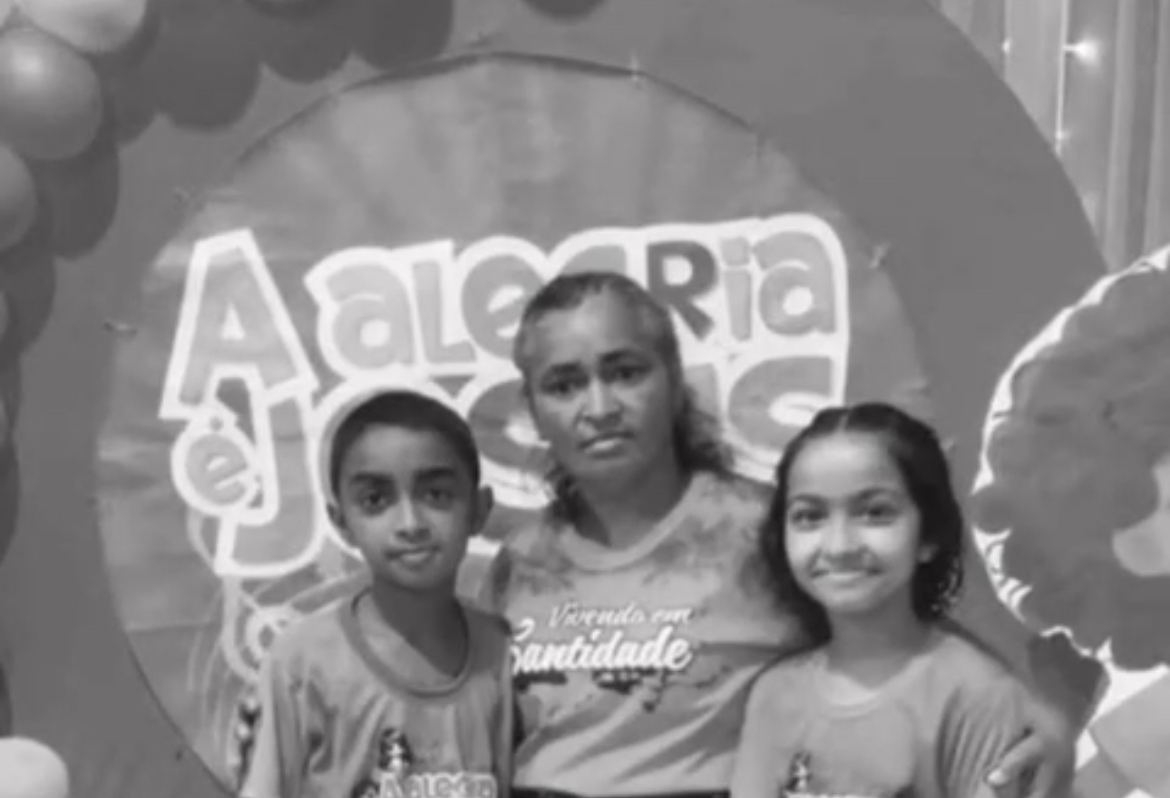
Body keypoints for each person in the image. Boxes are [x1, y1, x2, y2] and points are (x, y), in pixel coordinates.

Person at [481, 271, 1072, 798]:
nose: (600, 406)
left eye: (626, 372)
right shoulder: (518, 563)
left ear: (675, 380)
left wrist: (1039, 718)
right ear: (532, 409)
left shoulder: (765, 531)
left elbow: (914, 630)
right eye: (564, 385)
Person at [731, 402, 1035, 798]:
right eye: (810, 516)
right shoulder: (774, 695)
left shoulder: (979, 696)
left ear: (929, 535)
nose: (839, 546)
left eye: (875, 513)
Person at [238, 390, 514, 798]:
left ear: (479, 508)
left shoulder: (501, 652)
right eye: (375, 500)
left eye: (436, 495)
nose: (410, 523)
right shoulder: (301, 663)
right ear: (341, 522)